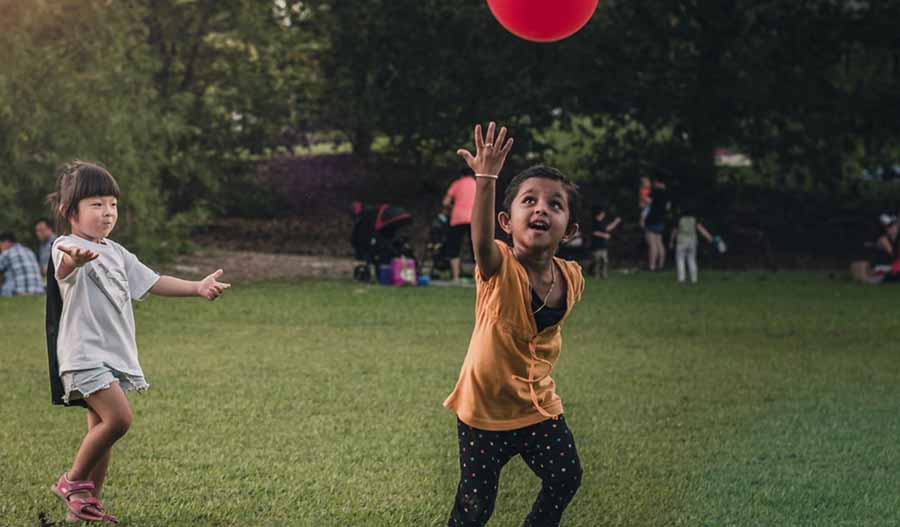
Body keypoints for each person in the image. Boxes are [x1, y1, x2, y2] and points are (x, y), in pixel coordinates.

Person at [46, 161, 231, 523]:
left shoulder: (116, 252)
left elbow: (152, 281)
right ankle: (72, 481)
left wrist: (196, 287)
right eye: (96, 204)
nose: (107, 212)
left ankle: (85, 506)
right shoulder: (66, 245)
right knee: (119, 420)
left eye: (112, 204)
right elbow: (62, 269)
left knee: (102, 429)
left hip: (112, 355)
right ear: (69, 212)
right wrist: (74, 260)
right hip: (83, 354)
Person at [444, 122, 585, 527]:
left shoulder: (572, 277)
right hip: (483, 412)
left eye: (555, 205)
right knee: (475, 508)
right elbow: (480, 241)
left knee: (565, 477)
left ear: (569, 229)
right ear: (507, 221)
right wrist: (485, 177)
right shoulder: (498, 268)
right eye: (530, 201)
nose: (541, 209)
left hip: (535, 406)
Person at [442, 168, 477, 283]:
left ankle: (456, 277)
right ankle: (477, 278)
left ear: (461, 175)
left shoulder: (457, 183)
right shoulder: (476, 184)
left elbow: (446, 202)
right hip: (474, 218)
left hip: (457, 218)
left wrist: (451, 209)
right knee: (475, 248)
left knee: (454, 247)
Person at [669, 206, 715, 284]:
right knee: (692, 260)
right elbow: (701, 229)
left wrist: (671, 241)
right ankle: (694, 279)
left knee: (680, 260)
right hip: (692, 242)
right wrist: (709, 237)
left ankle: (681, 279)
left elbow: (674, 231)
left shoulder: (679, 219)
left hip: (681, 242)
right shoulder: (694, 219)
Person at [0, 232, 46, 296]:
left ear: (6, 242)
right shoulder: (29, 251)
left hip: (18, 293)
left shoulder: (6, 253)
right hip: (39, 291)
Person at [641, 178, 670, 271]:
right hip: (662, 220)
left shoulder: (655, 192)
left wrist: (643, 195)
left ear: (657, 182)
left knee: (652, 244)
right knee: (659, 243)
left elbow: (647, 202)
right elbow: (668, 207)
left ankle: (652, 266)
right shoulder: (666, 193)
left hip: (652, 220)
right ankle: (661, 265)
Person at [590, 204, 621, 279]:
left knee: (604, 261)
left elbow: (607, 228)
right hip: (596, 245)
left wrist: (616, 222)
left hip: (603, 245)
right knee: (597, 261)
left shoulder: (603, 222)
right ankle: (595, 275)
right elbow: (594, 232)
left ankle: (604, 274)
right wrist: (604, 235)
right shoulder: (594, 222)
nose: (604, 214)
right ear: (599, 214)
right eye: (603, 213)